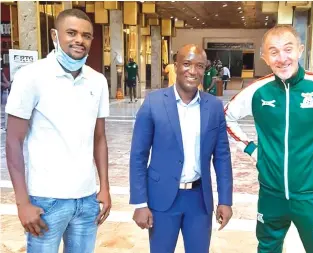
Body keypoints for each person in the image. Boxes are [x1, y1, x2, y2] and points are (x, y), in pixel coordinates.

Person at [224, 24, 313, 253]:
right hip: (271, 193)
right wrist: (252, 150)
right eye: (274, 52)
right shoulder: (259, 90)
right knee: (267, 248)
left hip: (312, 195)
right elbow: (225, 118)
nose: (282, 58)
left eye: (288, 49)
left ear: (300, 50)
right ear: (265, 57)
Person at [5, 9, 111, 253]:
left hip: (87, 200)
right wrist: (23, 203)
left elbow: (99, 138)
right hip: (46, 200)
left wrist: (104, 187)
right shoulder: (31, 76)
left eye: (86, 35)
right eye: (71, 33)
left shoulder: (97, 81)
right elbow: (13, 141)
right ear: (55, 35)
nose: (79, 40)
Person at [129, 44, 233, 253]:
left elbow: (222, 156)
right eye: (186, 64)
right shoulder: (154, 102)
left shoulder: (213, 106)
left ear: (205, 70)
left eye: (199, 66)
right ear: (176, 66)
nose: (193, 71)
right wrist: (140, 203)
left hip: (199, 201)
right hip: (162, 199)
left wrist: (225, 200)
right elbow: (138, 156)